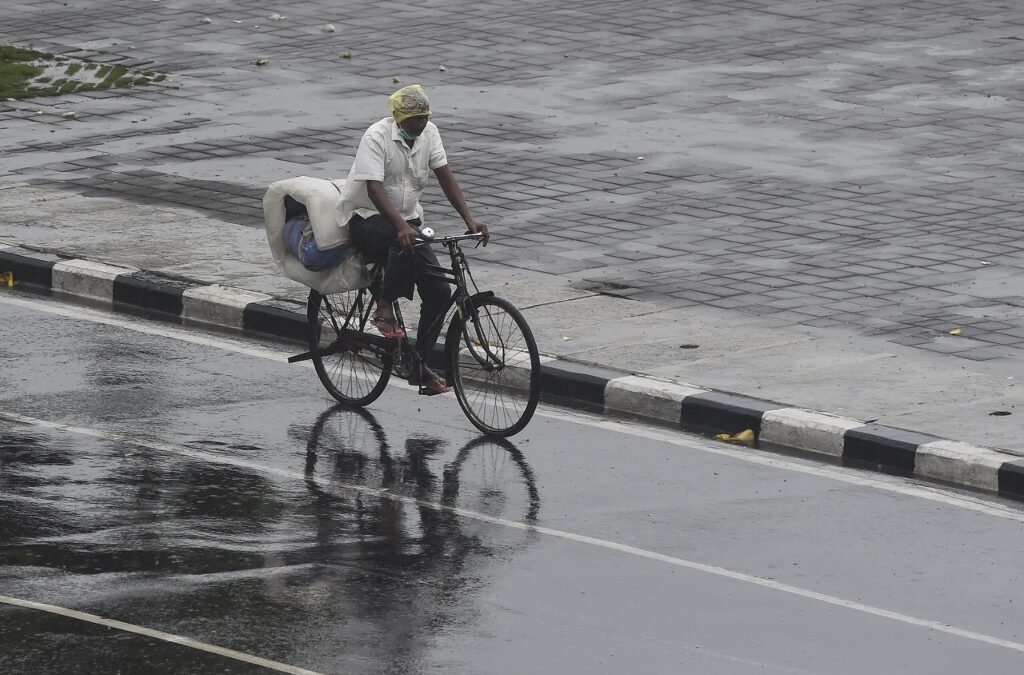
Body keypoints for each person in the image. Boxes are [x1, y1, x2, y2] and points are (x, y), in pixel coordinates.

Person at [338, 84, 490, 395]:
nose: (421, 124)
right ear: (399, 119)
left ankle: (416, 362)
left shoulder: (429, 134)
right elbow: (374, 189)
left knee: (439, 289)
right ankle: (383, 304)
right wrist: (401, 226)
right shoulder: (377, 136)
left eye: (425, 117)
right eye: (415, 119)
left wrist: (469, 219)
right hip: (367, 218)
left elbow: (445, 175)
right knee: (401, 240)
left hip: (408, 222)